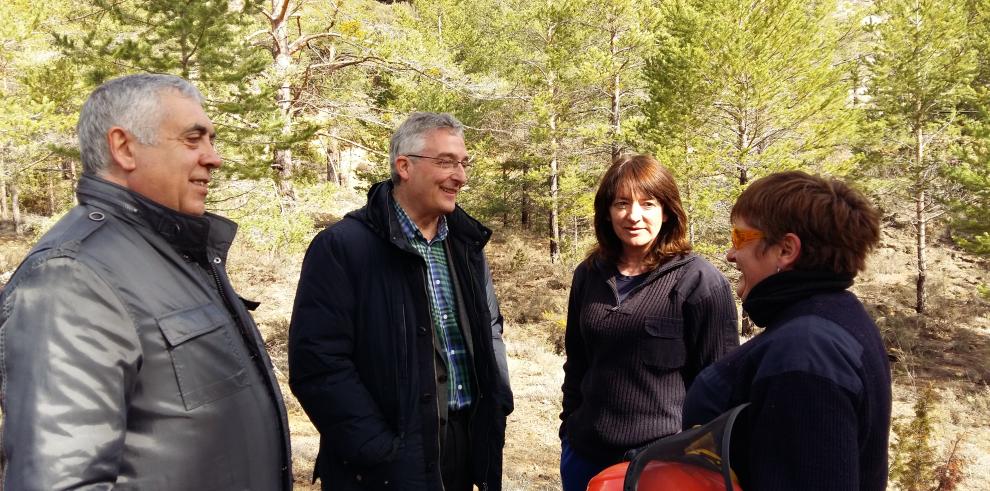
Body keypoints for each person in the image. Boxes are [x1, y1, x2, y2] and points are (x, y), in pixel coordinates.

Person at [0, 74, 291, 489]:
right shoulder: (71, 277)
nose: (214, 158)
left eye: (211, 139)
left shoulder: (176, 252)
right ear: (124, 148)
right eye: (193, 139)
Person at [288, 112, 514, 490]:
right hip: (384, 463)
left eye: (463, 163)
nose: (460, 176)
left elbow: (490, 329)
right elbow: (318, 363)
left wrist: (497, 404)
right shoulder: (343, 247)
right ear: (404, 166)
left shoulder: (463, 244)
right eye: (446, 162)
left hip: (463, 447)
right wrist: (375, 448)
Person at [682, 171, 891, 490]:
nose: (731, 254)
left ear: (785, 250)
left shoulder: (806, 352)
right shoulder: (836, 316)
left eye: (739, 238)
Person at [559, 154, 739, 491]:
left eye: (648, 203)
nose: (633, 215)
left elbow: (719, 392)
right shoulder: (589, 274)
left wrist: (692, 463)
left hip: (661, 465)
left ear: (668, 210)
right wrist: (568, 430)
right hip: (584, 456)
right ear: (607, 211)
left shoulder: (700, 282)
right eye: (622, 203)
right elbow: (577, 363)